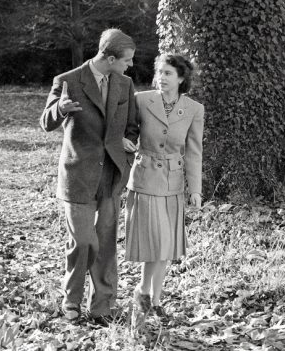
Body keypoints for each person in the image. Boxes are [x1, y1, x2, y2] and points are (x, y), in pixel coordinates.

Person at [40, 28, 139, 325]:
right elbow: (46, 122)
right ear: (109, 58)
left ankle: (103, 306)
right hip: (78, 175)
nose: (131, 65)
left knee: (106, 243)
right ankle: (71, 299)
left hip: (111, 175)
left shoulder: (125, 84)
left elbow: (131, 126)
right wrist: (60, 108)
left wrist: (126, 144)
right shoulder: (68, 80)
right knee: (84, 241)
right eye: (127, 60)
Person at [123, 53, 204, 332]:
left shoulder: (194, 109)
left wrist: (195, 190)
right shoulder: (142, 100)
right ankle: (142, 294)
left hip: (173, 183)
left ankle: (155, 299)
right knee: (155, 244)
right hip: (145, 178)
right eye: (159, 72)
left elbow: (194, 152)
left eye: (168, 73)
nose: (161, 78)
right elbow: (129, 132)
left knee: (166, 248)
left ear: (181, 78)